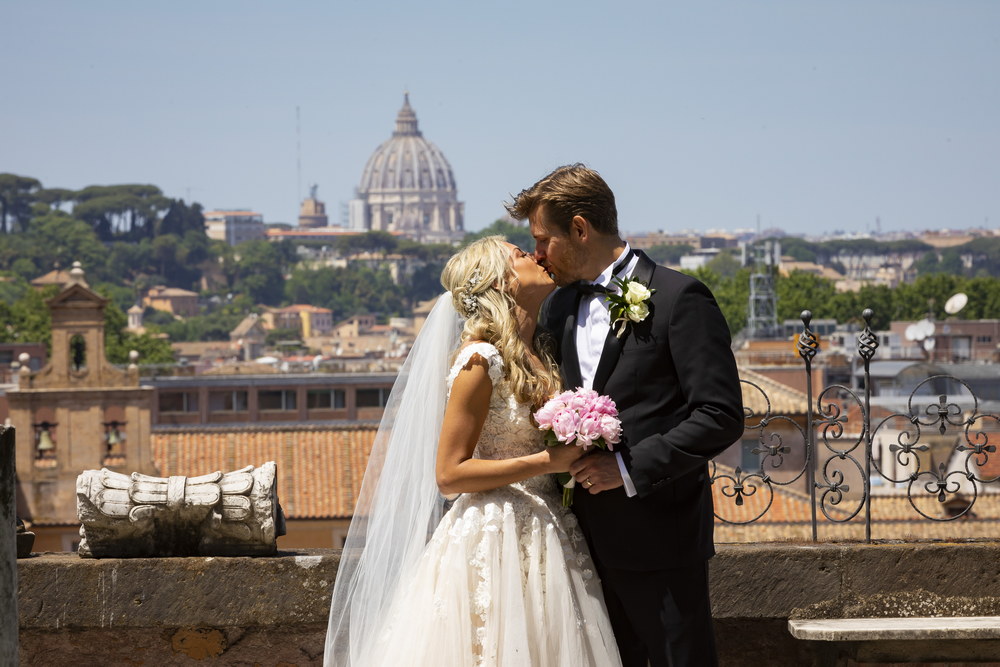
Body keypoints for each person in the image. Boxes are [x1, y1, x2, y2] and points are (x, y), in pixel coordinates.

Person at [324, 235, 622, 666]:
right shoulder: (480, 361)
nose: (536, 256)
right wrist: (548, 461)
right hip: (493, 531)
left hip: (551, 526)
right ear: (499, 281)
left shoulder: (542, 352)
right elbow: (449, 475)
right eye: (521, 254)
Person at [506, 164, 745, 667]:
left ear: (579, 229)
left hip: (661, 541)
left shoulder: (682, 299)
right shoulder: (558, 308)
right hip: (576, 545)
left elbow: (720, 414)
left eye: (543, 239)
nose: (538, 254)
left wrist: (628, 468)